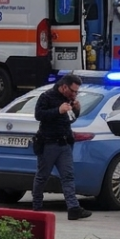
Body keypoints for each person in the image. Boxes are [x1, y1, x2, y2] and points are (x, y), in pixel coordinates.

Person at [31, 74, 91, 220]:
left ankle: (73, 208)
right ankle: (36, 207)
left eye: (77, 92)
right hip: (48, 143)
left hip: (64, 143)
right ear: (64, 87)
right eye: (73, 91)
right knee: (42, 176)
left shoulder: (68, 100)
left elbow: (69, 120)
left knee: (68, 176)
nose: (75, 94)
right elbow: (39, 115)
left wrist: (76, 109)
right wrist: (58, 110)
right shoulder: (47, 97)